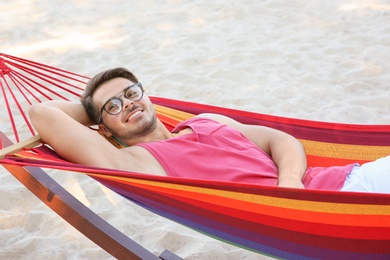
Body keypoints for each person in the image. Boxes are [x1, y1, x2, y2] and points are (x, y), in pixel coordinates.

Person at [28, 68, 390, 193]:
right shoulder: (137, 161)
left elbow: (280, 140)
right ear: (101, 129)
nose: (128, 104)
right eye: (114, 106)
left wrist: (291, 184)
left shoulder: (205, 120)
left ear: (147, 96)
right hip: (347, 202)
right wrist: (95, 108)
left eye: (132, 93)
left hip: (352, 182)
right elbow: (41, 114)